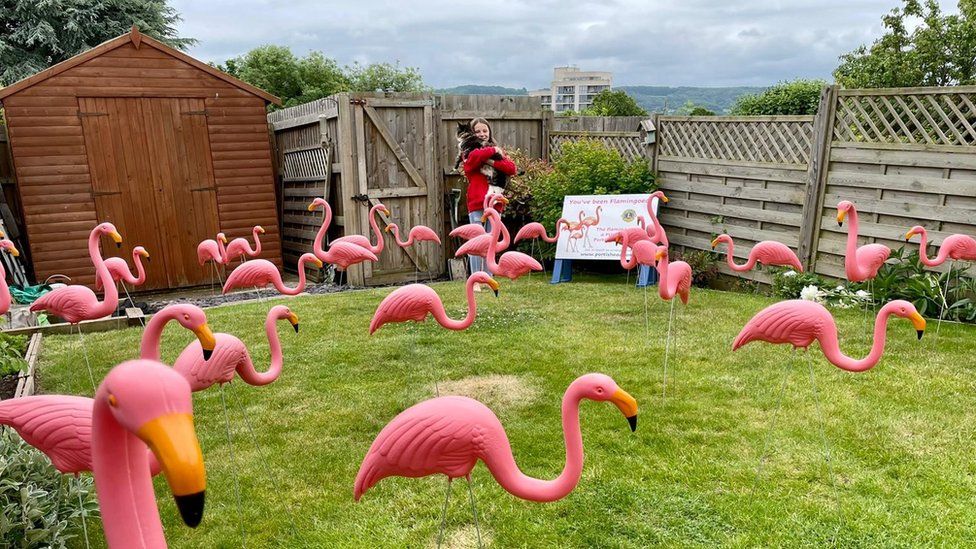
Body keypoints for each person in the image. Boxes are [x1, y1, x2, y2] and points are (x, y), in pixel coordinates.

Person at [461, 118, 517, 290]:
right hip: (477, 203)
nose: (482, 134)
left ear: (489, 132)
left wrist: (491, 161)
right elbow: (472, 162)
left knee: (491, 242)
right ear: (472, 134)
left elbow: (511, 168)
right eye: (478, 131)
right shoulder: (468, 150)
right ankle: (476, 280)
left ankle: (488, 277)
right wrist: (492, 150)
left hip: (494, 203)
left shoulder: (496, 153)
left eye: (484, 131)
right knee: (476, 243)